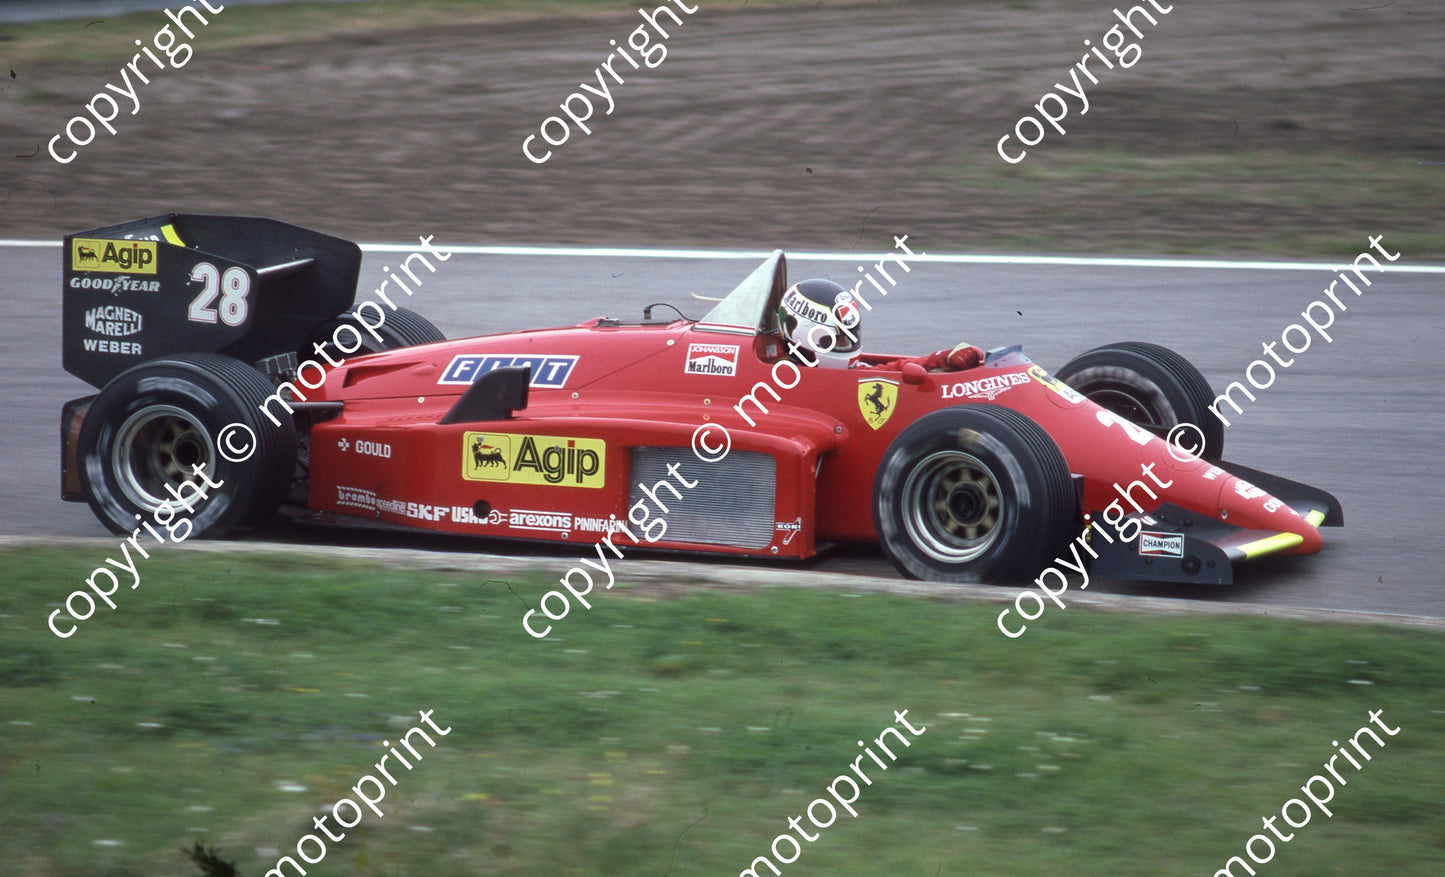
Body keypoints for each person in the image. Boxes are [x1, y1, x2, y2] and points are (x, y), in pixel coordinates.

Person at [777, 279, 984, 372]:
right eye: (839, 340)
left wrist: (941, 359)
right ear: (804, 335)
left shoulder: (855, 371)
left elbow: (894, 370)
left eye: (850, 337)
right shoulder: (776, 381)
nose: (847, 344)